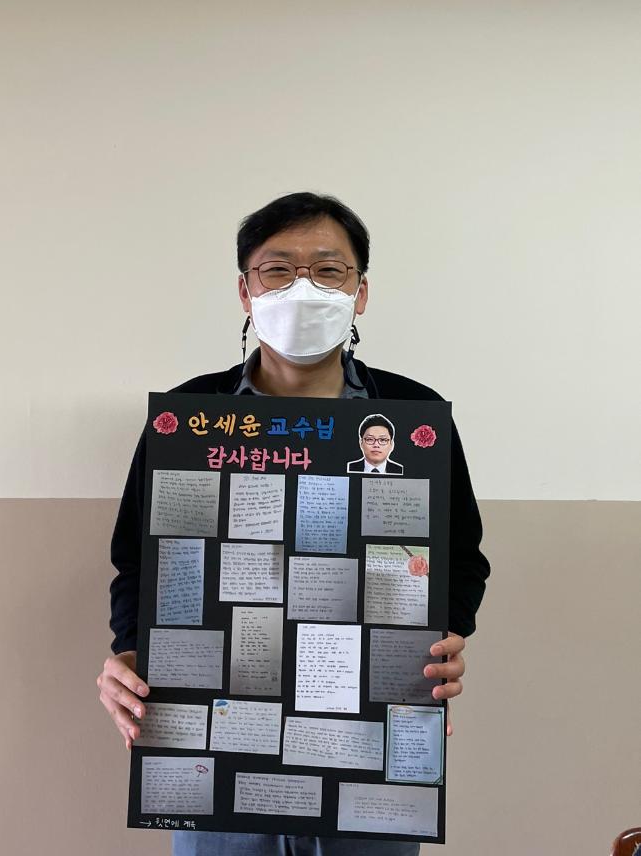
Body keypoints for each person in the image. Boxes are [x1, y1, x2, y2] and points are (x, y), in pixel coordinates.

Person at [97, 191, 490, 856]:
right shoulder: (190, 416)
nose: (303, 289)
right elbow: (141, 559)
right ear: (245, 292)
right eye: (277, 270)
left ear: (360, 293)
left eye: (329, 270)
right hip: (215, 750)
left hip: (368, 745)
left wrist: (444, 634)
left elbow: (461, 556)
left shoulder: (413, 415)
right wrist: (133, 651)